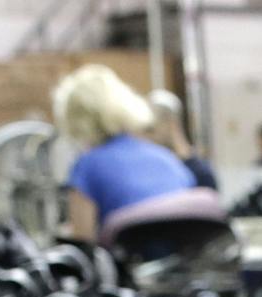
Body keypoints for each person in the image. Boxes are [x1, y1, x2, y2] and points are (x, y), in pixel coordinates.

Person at [53, 64, 206, 245]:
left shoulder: (86, 167)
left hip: (129, 268)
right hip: (184, 267)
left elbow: (83, 244)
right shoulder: (168, 160)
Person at [149, 89, 218, 192]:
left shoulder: (200, 173)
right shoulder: (155, 168)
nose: (148, 138)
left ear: (170, 123)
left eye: (151, 129)